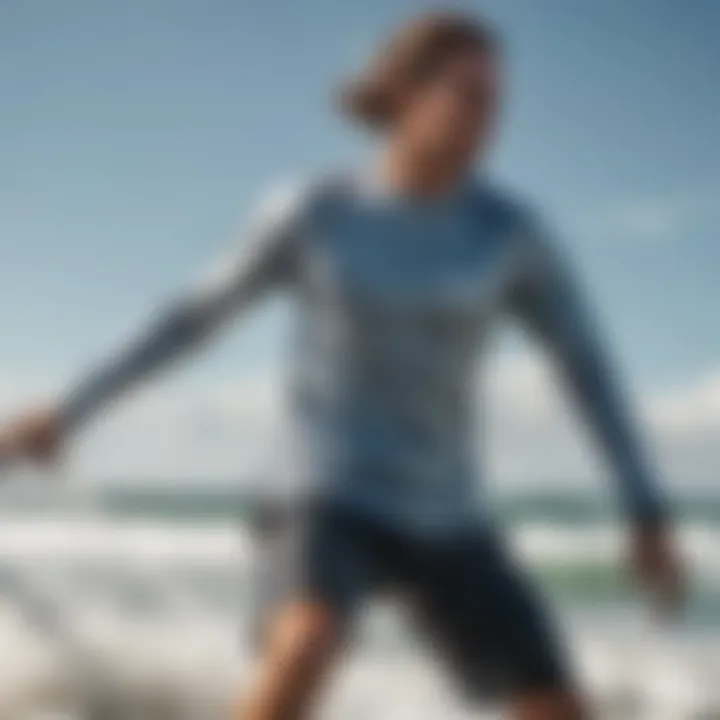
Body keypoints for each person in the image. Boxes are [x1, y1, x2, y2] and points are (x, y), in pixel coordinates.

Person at [0, 10, 685, 720]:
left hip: (446, 512)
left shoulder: (510, 236)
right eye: (468, 95)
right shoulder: (317, 210)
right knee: (306, 640)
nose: (487, 119)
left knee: (561, 706)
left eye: (496, 103)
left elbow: (590, 373)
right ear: (405, 95)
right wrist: (69, 410)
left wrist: (647, 510)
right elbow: (190, 318)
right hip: (323, 492)